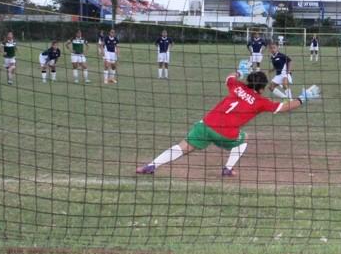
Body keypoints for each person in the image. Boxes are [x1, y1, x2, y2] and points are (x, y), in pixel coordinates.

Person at [135, 70, 320, 177]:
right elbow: (283, 107)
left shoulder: (237, 86)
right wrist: (303, 98)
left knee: (182, 147)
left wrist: (239, 70)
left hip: (206, 124)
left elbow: (229, 78)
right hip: (226, 133)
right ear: (262, 88)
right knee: (245, 137)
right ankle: (227, 169)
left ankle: (151, 165)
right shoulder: (261, 101)